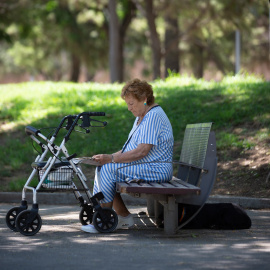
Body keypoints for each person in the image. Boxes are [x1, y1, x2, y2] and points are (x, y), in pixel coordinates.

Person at [81, 78, 174, 233]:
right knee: (104, 167)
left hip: (157, 168)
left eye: (131, 103)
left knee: (109, 170)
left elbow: (141, 151)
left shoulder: (153, 116)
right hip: (146, 165)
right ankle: (123, 217)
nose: (129, 108)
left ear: (144, 99)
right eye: (127, 104)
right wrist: (106, 157)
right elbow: (127, 149)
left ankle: (103, 219)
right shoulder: (141, 117)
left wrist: (110, 159)